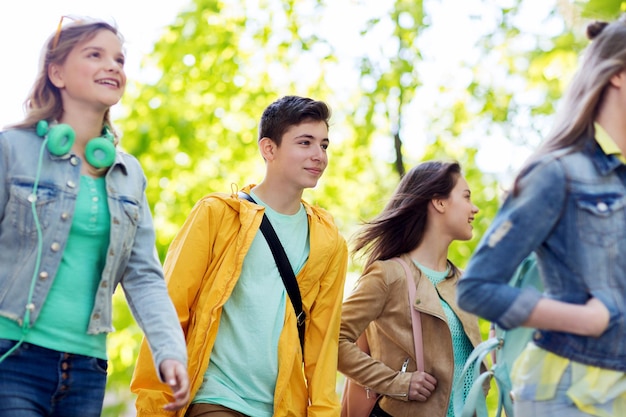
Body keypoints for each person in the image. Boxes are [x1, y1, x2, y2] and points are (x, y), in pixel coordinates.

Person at [0, 17, 189, 416]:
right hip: (11, 359)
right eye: (95, 54)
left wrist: (170, 350)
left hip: (86, 371)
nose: (113, 66)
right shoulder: (11, 151)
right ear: (56, 73)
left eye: (119, 60)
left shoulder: (128, 174)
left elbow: (143, 275)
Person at [131, 95, 349, 417]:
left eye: (324, 145)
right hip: (216, 397)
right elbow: (171, 306)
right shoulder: (218, 215)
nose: (319, 156)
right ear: (268, 149)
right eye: (305, 142)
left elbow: (323, 342)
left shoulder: (328, 240)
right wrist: (154, 405)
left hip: (282, 408)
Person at [456, 16, 626, 417]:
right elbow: (477, 287)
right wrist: (584, 319)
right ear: (618, 74)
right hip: (568, 394)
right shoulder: (558, 173)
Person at [338, 161, 485, 417]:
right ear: (439, 202)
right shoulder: (389, 275)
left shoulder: (462, 282)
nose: (475, 208)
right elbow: (333, 340)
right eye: (466, 196)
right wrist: (397, 383)